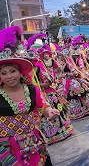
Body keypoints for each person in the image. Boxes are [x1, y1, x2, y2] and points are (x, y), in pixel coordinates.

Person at [0, 26, 59, 165]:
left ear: (20, 72)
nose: (9, 76)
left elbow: (40, 108)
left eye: (12, 71)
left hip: (34, 145)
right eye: (4, 73)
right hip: (8, 151)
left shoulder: (31, 90)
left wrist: (48, 111)